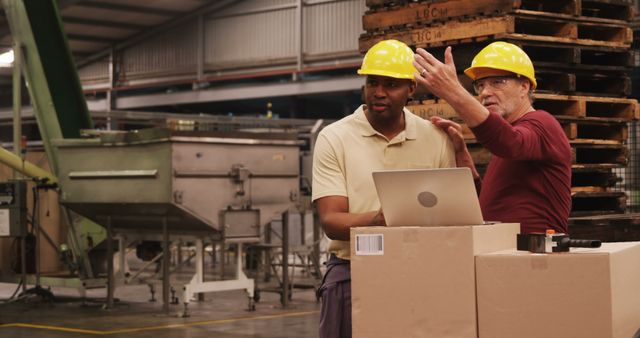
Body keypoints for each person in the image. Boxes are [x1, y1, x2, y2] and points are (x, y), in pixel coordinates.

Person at [312, 39, 455, 338]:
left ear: (411, 89)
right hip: (354, 272)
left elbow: (451, 215)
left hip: (420, 273)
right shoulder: (334, 138)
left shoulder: (435, 139)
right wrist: (377, 222)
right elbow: (331, 221)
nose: (378, 92)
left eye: (391, 84)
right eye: (372, 82)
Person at [412, 41, 572, 234]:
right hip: (503, 253)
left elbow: (510, 143)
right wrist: (461, 153)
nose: (485, 93)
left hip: (534, 256)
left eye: (497, 82)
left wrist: (451, 91)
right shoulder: (509, 140)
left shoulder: (542, 124)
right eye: (480, 85)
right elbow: (484, 206)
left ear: (524, 87)